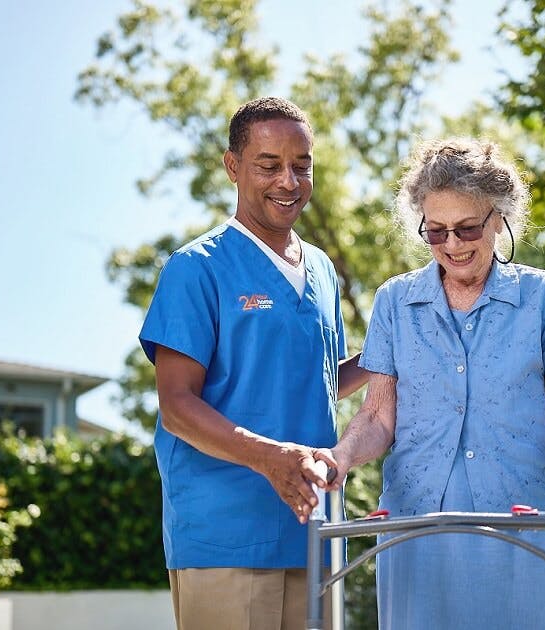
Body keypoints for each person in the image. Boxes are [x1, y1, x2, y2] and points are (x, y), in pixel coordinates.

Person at [317, 137, 545, 629]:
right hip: (421, 528)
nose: (452, 245)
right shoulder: (395, 301)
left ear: (499, 219)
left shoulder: (542, 296)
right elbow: (376, 415)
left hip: (528, 525)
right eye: (436, 232)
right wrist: (341, 456)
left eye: (467, 228)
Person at [139, 96, 367, 630]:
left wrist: (393, 355)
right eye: (269, 166)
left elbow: (322, 383)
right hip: (226, 537)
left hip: (313, 532)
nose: (289, 181)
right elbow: (175, 406)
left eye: (302, 166)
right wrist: (268, 458)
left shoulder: (322, 271)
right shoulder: (196, 269)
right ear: (233, 167)